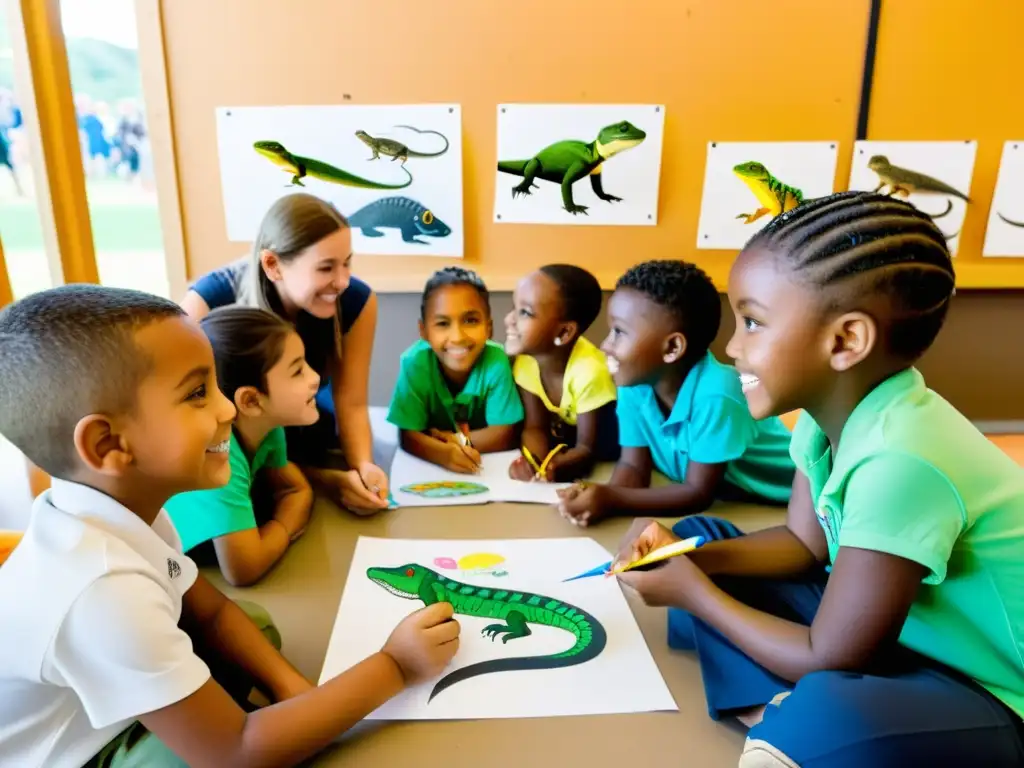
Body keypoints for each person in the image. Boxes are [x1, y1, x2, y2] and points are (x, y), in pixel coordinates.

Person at [615, 192, 1024, 766]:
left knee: (830, 705)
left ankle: (794, 723)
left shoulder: (901, 461)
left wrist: (693, 593)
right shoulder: (820, 421)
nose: (732, 348)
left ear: (845, 341)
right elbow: (805, 545)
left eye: (753, 322)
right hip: (892, 637)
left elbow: (832, 655)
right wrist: (691, 562)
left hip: (987, 687)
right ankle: (780, 715)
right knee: (700, 533)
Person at [0, 285, 460, 768]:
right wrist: (395, 666)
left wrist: (295, 693)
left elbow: (211, 613)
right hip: (79, 750)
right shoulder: (102, 589)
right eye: (198, 393)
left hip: (111, 689)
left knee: (253, 627)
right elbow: (237, 752)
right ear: (108, 444)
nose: (226, 409)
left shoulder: (124, 509)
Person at [180, 192, 389, 515]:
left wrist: (363, 466)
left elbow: (352, 402)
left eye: (347, 263)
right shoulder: (205, 305)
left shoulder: (357, 302)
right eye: (326, 268)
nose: (343, 281)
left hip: (306, 445)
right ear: (273, 265)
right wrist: (321, 482)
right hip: (234, 465)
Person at [557, 259, 795, 527]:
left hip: (786, 501)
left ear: (672, 348)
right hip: (732, 499)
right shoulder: (634, 384)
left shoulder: (718, 394)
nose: (605, 345)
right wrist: (600, 499)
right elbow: (634, 467)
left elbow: (698, 493)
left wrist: (610, 498)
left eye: (619, 332)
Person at [164, 306, 320, 587]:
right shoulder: (216, 454)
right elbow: (243, 569)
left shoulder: (267, 427)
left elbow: (296, 488)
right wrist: (285, 527)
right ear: (250, 401)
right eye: (298, 371)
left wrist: (276, 528)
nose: (315, 378)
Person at [387, 266, 524, 473]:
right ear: (423, 331)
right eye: (442, 323)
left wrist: (456, 441)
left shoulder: (496, 361)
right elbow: (408, 435)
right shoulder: (414, 363)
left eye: (470, 320)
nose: (458, 336)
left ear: (489, 328)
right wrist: (442, 454)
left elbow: (505, 433)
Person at [504, 265, 619, 482]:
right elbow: (534, 427)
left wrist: (556, 467)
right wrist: (533, 461)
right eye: (514, 307)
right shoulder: (527, 360)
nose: (509, 319)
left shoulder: (589, 372)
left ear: (564, 332)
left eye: (525, 312)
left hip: (609, 449)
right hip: (568, 439)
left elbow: (587, 449)